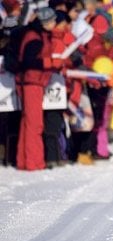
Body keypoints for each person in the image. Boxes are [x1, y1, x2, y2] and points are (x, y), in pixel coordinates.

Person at [16, 7, 61, 171]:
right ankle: (35, 162)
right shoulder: (35, 37)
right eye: (53, 20)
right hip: (31, 83)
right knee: (35, 124)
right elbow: (28, 61)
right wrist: (49, 63)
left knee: (27, 123)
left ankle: (24, 160)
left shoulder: (36, 34)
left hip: (30, 82)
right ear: (46, 21)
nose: (55, 23)